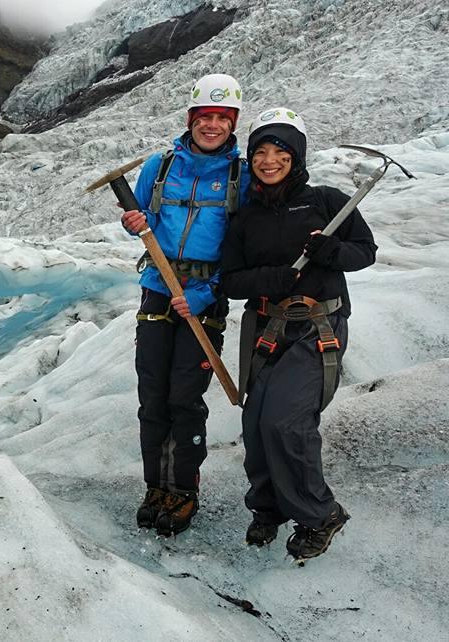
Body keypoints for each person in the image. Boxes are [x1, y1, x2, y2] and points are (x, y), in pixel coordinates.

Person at [219, 107, 376, 560]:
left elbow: (364, 252)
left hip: (317, 329)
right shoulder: (246, 217)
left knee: (286, 421)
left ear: (296, 157)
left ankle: (319, 513)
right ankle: (267, 506)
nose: (268, 160)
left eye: (280, 152)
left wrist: (332, 252)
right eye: (260, 152)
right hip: (268, 328)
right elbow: (230, 281)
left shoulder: (328, 202)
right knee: (255, 423)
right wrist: (267, 279)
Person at [121, 73, 249, 536]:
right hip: (158, 287)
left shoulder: (241, 176)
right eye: (205, 117)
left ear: (232, 122)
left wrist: (205, 291)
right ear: (191, 119)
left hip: (204, 299)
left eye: (222, 117)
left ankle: (183, 490)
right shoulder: (160, 165)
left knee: (185, 398)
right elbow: (145, 217)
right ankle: (155, 486)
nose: (212, 125)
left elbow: (242, 243)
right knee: (152, 395)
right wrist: (133, 220)